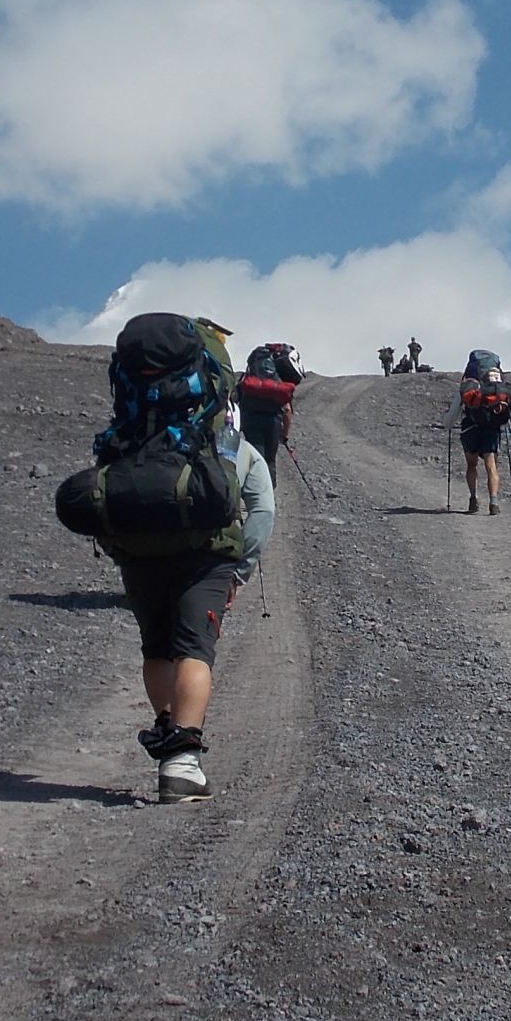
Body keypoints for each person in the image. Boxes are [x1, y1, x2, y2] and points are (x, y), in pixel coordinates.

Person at [124, 401, 275, 803]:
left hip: (139, 555)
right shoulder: (234, 446)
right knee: (193, 650)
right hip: (206, 559)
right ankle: (181, 765)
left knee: (157, 646)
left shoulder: (139, 430)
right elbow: (264, 508)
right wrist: (240, 570)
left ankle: (167, 731)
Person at [451, 350, 511, 514]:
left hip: (470, 429)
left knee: (472, 464)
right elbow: (509, 415)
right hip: (491, 430)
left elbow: (452, 415)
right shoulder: (500, 391)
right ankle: (493, 502)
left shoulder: (469, 386)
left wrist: (448, 424)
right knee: (491, 466)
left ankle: (473, 499)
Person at [237, 342, 304, 487]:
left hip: (251, 419)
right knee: (269, 461)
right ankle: (268, 497)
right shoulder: (279, 378)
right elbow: (286, 410)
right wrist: (284, 435)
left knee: (254, 458)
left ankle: (251, 494)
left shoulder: (253, 371)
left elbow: (238, 395)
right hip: (273, 421)